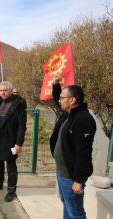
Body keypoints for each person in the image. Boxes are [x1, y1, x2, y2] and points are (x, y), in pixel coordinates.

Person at [50, 78, 96, 219]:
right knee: (68, 206)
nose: (59, 101)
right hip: (62, 172)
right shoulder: (69, 114)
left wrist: (78, 180)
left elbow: (84, 153)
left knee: (75, 212)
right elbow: (58, 102)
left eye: (62, 98)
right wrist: (56, 86)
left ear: (72, 100)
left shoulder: (83, 120)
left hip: (71, 177)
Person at [0, 81, 27, 203]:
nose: (2, 92)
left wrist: (19, 143)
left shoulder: (18, 104)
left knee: (11, 166)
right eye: (1, 90)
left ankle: (11, 190)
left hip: (10, 140)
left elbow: (21, 126)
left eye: (5, 90)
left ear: (10, 90)